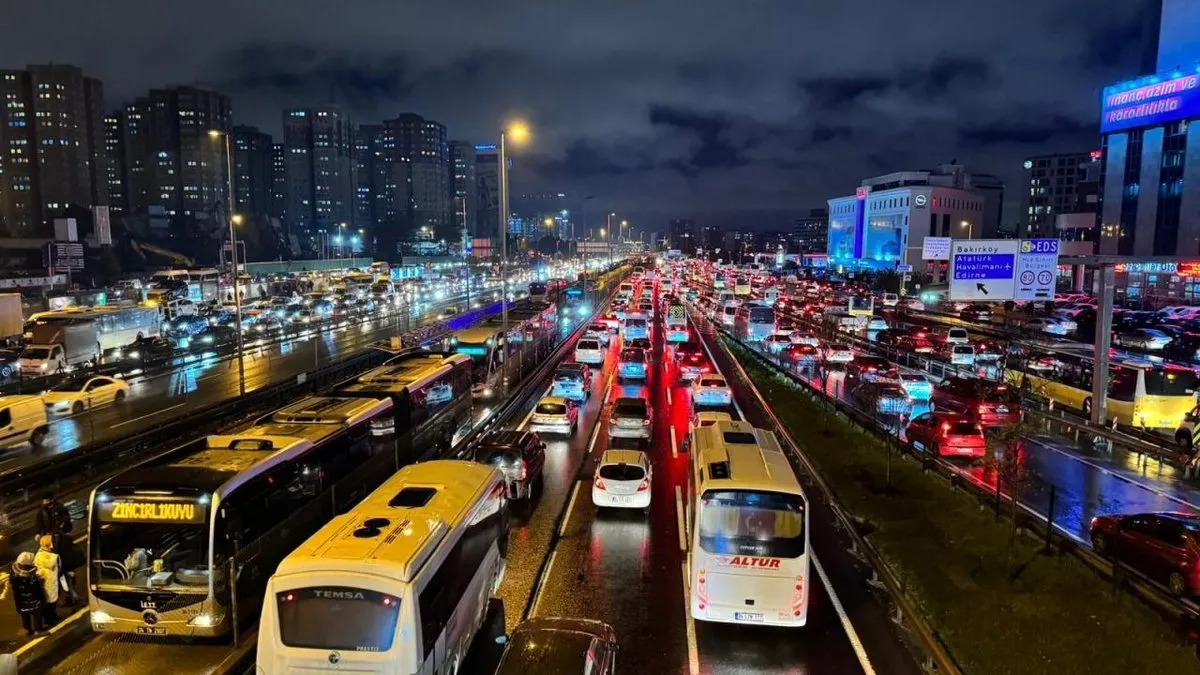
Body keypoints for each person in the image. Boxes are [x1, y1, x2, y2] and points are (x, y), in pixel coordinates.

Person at [0, 552, 46, 636]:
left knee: (25, 615)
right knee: (37, 614)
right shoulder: (30, 575)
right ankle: (38, 630)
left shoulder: (13, 572)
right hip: (33, 599)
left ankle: (28, 629)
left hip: (20, 599)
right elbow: (34, 587)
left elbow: (12, 584)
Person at [33, 535, 60, 626]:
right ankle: (50, 620)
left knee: (49, 603)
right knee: (50, 604)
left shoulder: (39, 554)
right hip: (49, 583)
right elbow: (50, 564)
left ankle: (51, 618)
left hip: (47, 583)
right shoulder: (51, 557)